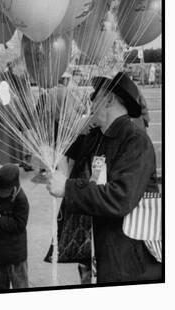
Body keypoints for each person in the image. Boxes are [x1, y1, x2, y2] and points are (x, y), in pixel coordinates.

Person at [46, 72, 161, 284]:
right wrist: (58, 155)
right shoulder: (97, 135)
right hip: (101, 249)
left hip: (130, 259)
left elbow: (121, 198)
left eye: (94, 95)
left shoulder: (136, 141)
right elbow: (64, 152)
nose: (90, 100)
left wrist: (68, 189)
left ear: (108, 99)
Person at [0, 164, 29, 290]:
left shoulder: (21, 199)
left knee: (20, 286)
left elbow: (19, 225)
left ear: (15, 189)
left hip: (16, 254)